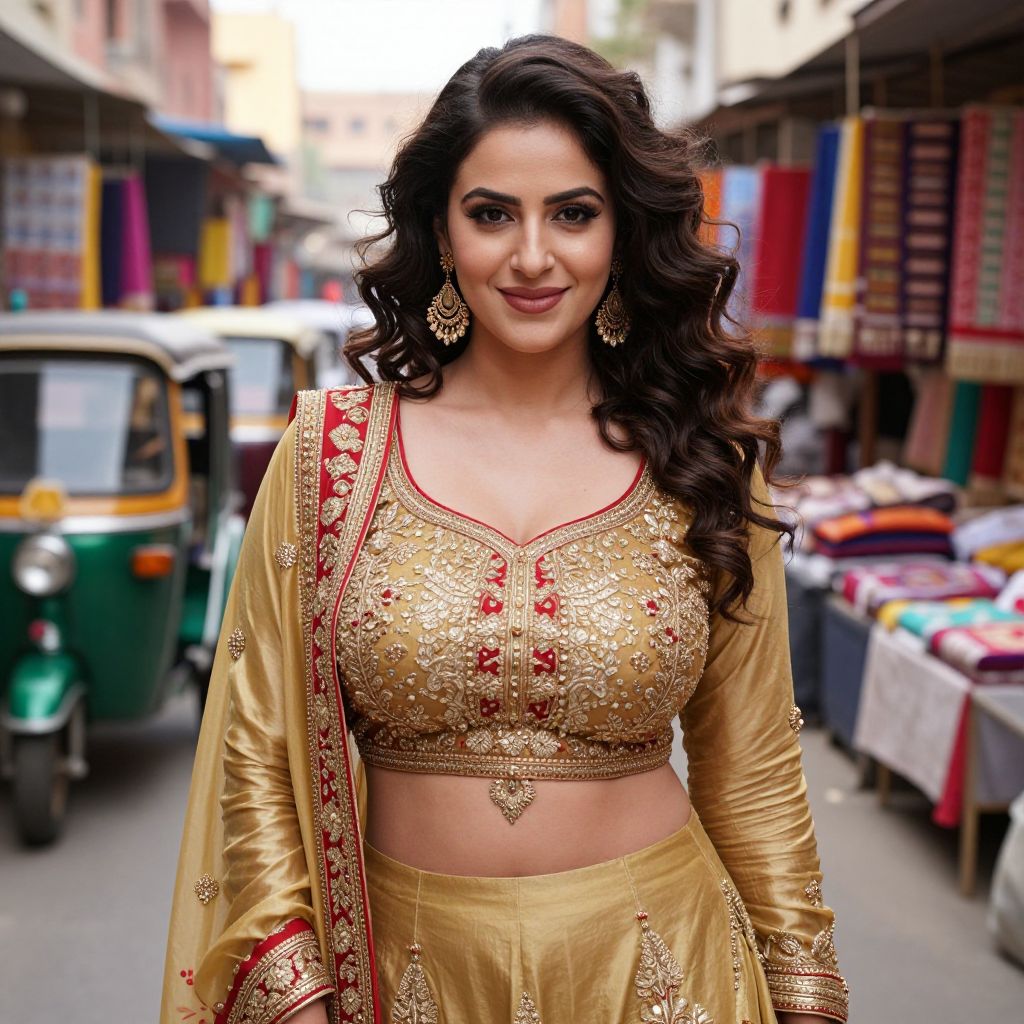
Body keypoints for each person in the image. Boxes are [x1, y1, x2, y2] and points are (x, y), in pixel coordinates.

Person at [162, 36, 848, 1024]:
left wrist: (806, 1000)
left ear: (620, 231)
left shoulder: (704, 462)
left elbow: (754, 771)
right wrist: (298, 998)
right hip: (401, 979)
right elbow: (256, 759)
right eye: (492, 214)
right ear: (442, 233)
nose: (532, 256)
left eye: (573, 213)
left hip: (662, 974)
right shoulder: (330, 460)